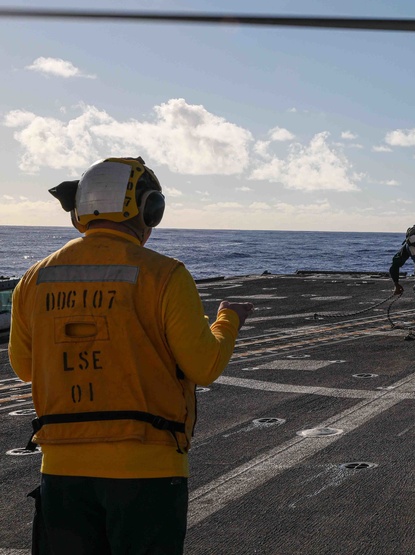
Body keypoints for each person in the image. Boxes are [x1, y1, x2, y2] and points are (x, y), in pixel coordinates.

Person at [7, 157, 254, 554]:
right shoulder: (164, 274)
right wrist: (228, 320)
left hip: (61, 473)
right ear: (150, 209)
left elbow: (23, 367)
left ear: (79, 213)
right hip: (147, 473)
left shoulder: (35, 278)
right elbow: (205, 366)